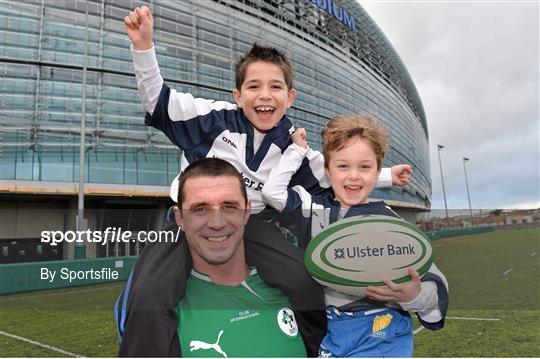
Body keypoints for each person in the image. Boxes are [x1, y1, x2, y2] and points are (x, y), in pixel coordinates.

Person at [119, 6, 412, 356]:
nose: (264, 95)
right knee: (150, 292)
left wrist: (385, 176)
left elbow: (336, 175)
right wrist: (143, 48)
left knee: (302, 282)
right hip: (188, 223)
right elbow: (160, 101)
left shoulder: (293, 144)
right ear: (237, 95)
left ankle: (317, 349)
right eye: (253, 86)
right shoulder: (211, 120)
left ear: (289, 98)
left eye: (275, 87)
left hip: (253, 226)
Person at [261, 114, 449, 357]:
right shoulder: (314, 211)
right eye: (342, 166)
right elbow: (272, 193)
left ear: (377, 171)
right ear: (327, 171)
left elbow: (435, 302)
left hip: (383, 334)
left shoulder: (391, 224)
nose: (353, 176)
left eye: (364, 167)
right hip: (332, 335)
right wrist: (296, 151)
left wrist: (413, 295)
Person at [120, 158, 307, 357]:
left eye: (229, 206)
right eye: (200, 209)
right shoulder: (162, 313)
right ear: (180, 218)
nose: (217, 223)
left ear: (246, 212)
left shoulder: (293, 292)